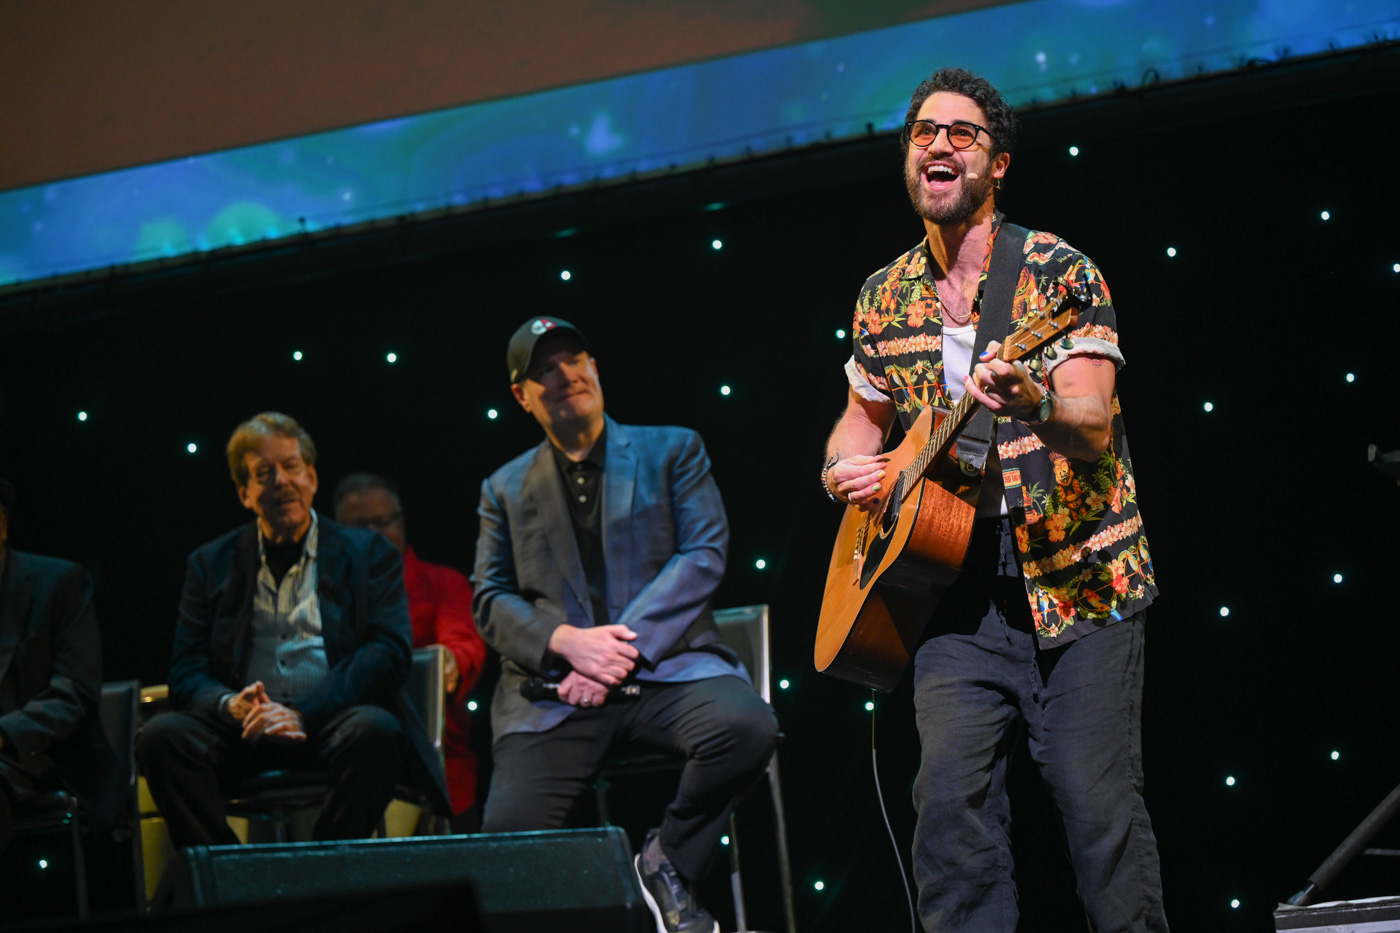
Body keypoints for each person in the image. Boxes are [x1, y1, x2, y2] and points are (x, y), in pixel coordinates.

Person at [822, 68, 1167, 931]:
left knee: (1099, 816)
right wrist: (845, 471)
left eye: (962, 133)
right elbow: (859, 425)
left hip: (1080, 583)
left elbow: (1090, 424)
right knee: (948, 817)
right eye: (923, 132)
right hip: (952, 595)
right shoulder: (883, 294)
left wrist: (1036, 403)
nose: (938, 143)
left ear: (998, 163)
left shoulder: (1055, 272)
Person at [473, 317, 778, 933]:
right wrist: (564, 645)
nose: (566, 376)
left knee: (747, 726)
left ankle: (665, 861)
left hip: (668, 671)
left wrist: (615, 652)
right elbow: (490, 596)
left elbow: (704, 553)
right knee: (503, 850)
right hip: (560, 692)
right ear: (522, 396)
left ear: (594, 365)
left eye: (575, 359)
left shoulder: (673, 449)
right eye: (545, 371)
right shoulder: (502, 488)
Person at [137, 413, 450, 849]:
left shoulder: (368, 552)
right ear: (244, 493)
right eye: (264, 473)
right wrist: (231, 706)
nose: (281, 481)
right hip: (247, 731)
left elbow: (388, 652)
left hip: (331, 721)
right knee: (160, 738)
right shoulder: (210, 564)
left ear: (313, 477)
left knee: (376, 731)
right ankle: (232, 876)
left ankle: (321, 870)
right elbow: (186, 671)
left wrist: (303, 711)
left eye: (291, 466)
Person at [334, 473, 487, 832]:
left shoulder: (443, 583)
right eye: (360, 525)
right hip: (350, 759)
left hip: (439, 763)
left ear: (401, 521)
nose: (374, 532)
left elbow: (464, 645)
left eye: (383, 521)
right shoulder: (326, 594)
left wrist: (450, 663)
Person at [0, 477, 118, 851]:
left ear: (1, 524)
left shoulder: (59, 582)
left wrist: (4, 734)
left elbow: (75, 694)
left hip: (43, 757)